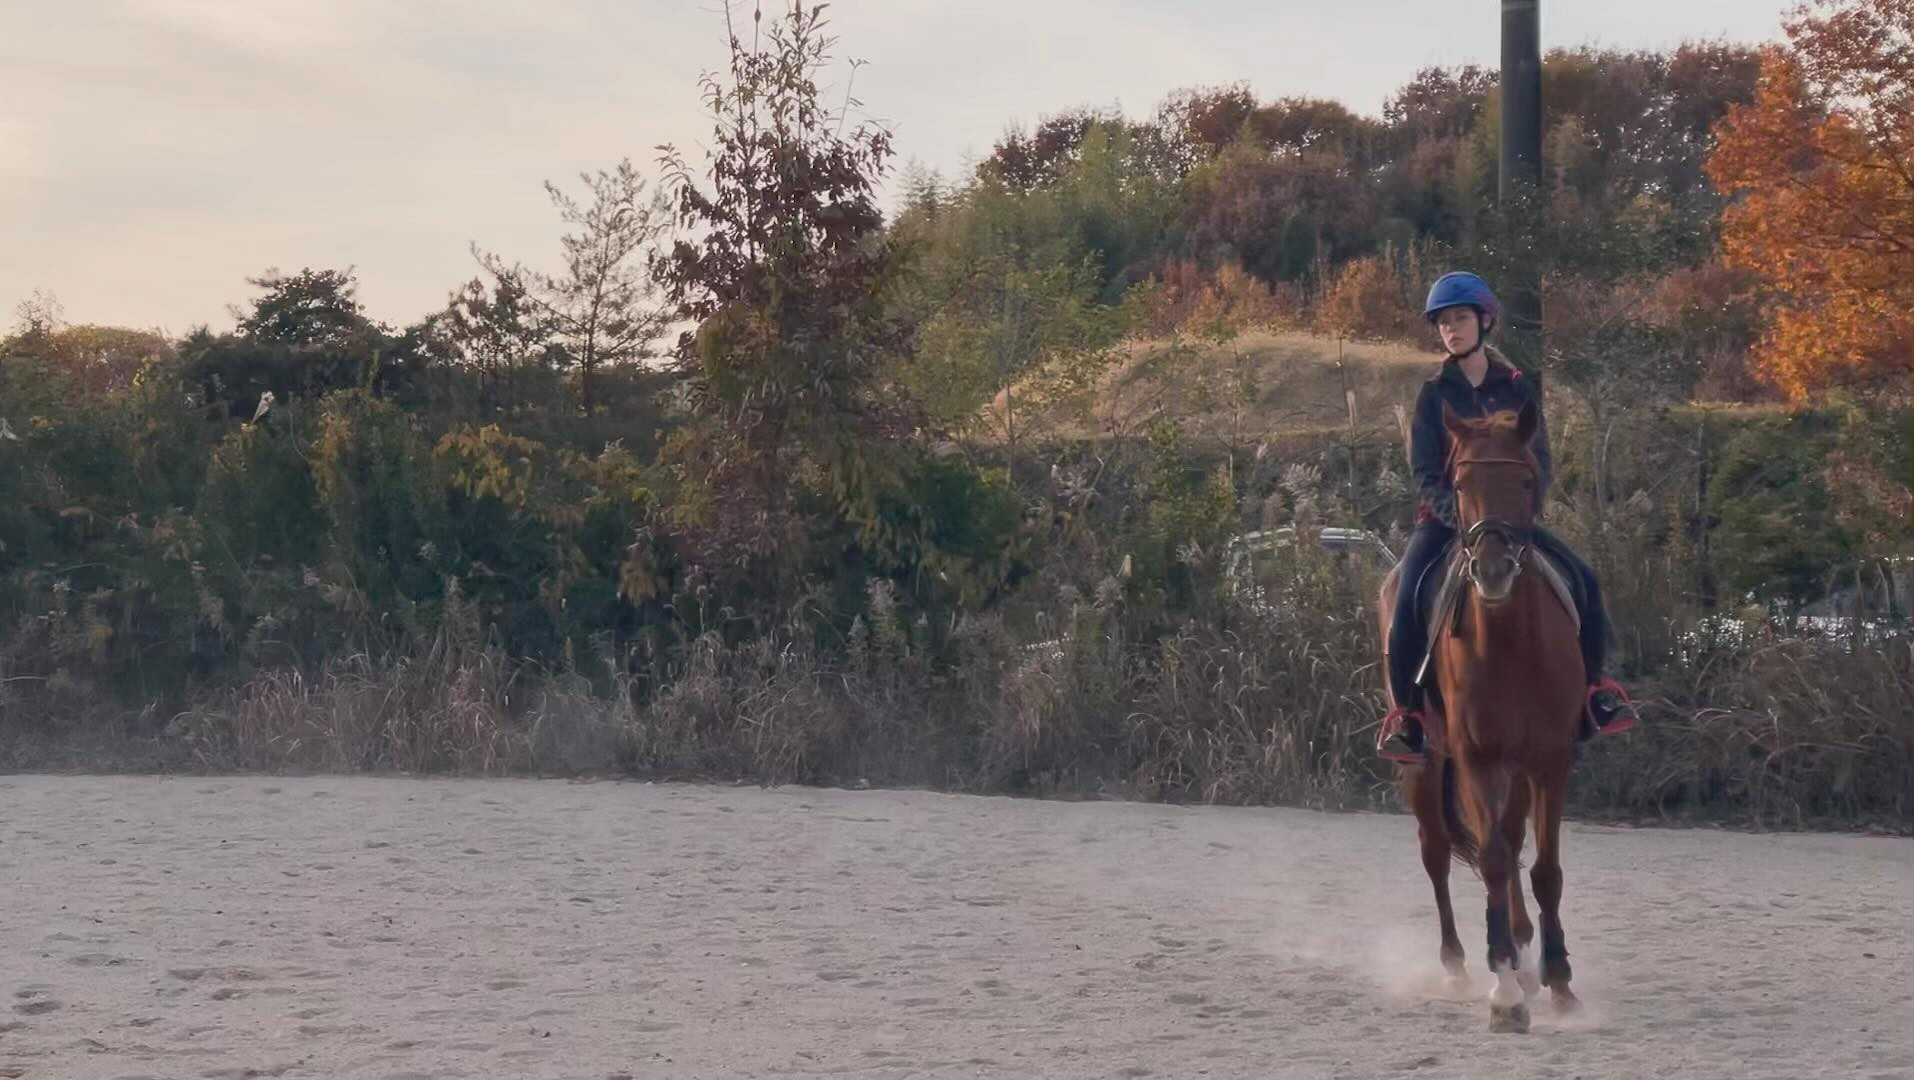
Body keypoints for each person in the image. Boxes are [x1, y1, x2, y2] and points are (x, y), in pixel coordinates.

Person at [1377, 271, 1638, 765]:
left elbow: (1539, 458)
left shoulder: (1518, 388)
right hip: (1446, 522)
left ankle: (1596, 692)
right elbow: (1424, 468)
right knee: (1407, 595)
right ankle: (1409, 718)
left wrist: (1518, 514)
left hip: (1508, 524)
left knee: (1583, 578)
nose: (1451, 330)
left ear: (1484, 321)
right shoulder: (1433, 394)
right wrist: (1458, 517)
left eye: (1459, 319)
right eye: (1443, 323)